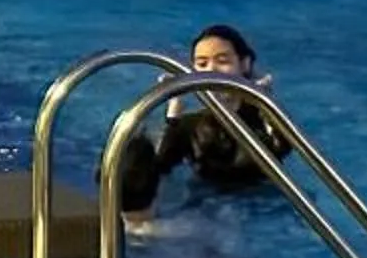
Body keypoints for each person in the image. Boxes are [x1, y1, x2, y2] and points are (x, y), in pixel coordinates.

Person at [116, 24, 290, 221]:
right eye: (202, 63)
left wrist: (264, 102)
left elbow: (281, 147)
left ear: (245, 64)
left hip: (264, 206)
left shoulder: (264, 118)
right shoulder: (190, 126)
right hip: (206, 204)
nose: (211, 70)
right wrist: (173, 111)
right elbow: (161, 167)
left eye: (222, 61)